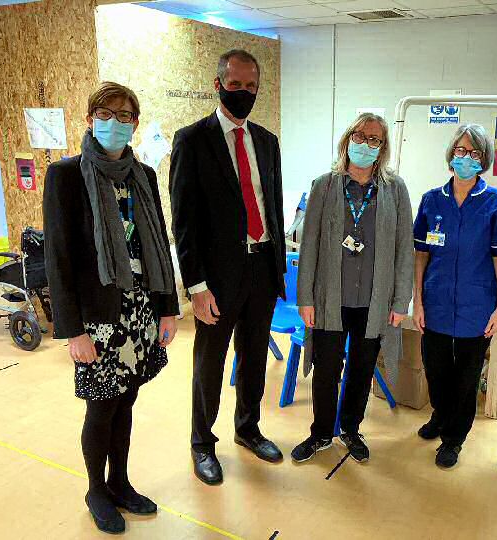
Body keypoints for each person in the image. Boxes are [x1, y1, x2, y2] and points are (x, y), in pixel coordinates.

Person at [43, 82, 179, 534]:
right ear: (89, 118)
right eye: (107, 113)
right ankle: (95, 489)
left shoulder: (143, 176)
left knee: (127, 401)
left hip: (139, 310)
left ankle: (120, 482)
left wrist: (167, 310)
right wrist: (72, 331)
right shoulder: (65, 176)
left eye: (126, 115)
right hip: (97, 319)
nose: (116, 122)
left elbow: (156, 242)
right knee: (101, 407)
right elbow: (58, 259)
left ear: (135, 124)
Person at [169, 49, 287, 486]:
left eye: (251, 87)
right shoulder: (191, 140)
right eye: (235, 85)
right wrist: (196, 285)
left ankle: (248, 429)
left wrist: (276, 272)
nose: (243, 93)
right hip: (216, 279)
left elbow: (271, 208)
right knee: (210, 362)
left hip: (261, 269)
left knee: (254, 357)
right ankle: (202, 442)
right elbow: (184, 220)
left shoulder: (267, 142)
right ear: (218, 85)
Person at [291, 113, 414, 464]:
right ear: (347, 139)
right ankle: (320, 434)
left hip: (374, 301)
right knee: (328, 368)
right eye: (360, 136)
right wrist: (306, 298)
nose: (366, 144)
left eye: (374, 139)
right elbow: (308, 245)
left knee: (362, 368)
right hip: (331, 298)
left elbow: (404, 247)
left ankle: (351, 429)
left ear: (383, 148)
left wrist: (400, 299)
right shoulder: (324, 186)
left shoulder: (396, 190)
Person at [412, 124, 497, 468]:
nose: (466, 158)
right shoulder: (431, 200)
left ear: (483, 159)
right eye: (460, 151)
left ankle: (454, 438)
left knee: (466, 377)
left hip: (477, 304)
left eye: (474, 153)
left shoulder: (496, 202)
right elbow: (421, 253)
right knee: (436, 369)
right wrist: (418, 300)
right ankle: (440, 416)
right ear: (451, 154)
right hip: (436, 301)